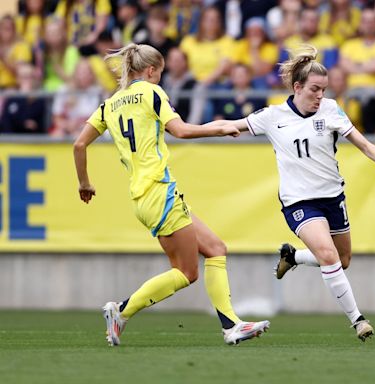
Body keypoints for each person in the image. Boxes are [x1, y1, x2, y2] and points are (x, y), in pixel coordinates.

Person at [73, 43, 270, 347]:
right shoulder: (152, 93)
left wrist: (84, 183)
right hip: (159, 191)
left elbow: (79, 145)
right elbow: (180, 130)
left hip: (143, 195)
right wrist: (218, 130)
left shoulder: (108, 104)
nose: (160, 79)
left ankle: (231, 325)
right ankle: (121, 310)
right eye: (160, 73)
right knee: (186, 272)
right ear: (151, 70)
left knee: (216, 248)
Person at [218, 45, 375, 341]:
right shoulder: (273, 116)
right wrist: (185, 129)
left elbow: (363, 144)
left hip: (332, 197)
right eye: (314, 89)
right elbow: (229, 126)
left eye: (323, 89)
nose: (319, 96)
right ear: (297, 87)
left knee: (342, 259)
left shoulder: (331, 109)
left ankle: (293, 257)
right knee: (327, 254)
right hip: (298, 201)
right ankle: (358, 320)